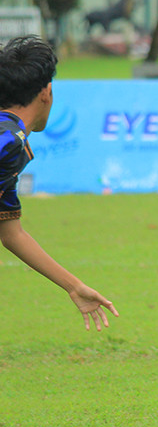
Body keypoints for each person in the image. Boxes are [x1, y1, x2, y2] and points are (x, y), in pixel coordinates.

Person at [0, 36, 119, 331]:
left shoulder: (11, 143)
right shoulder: (8, 140)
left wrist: (74, 286)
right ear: (46, 93)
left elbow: (11, 233)